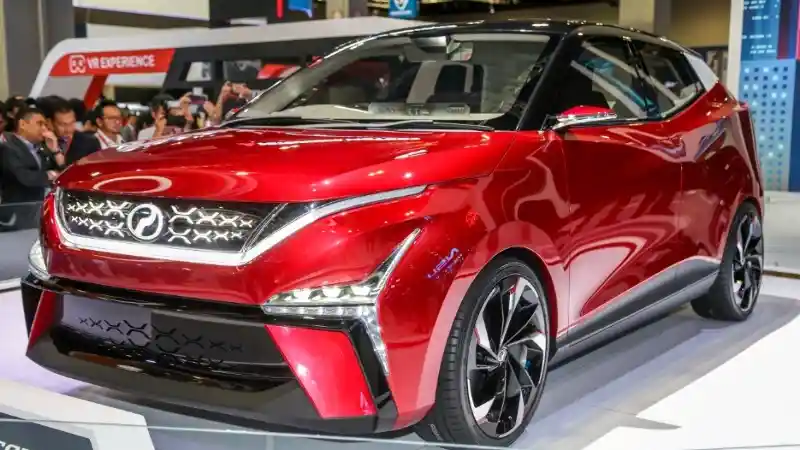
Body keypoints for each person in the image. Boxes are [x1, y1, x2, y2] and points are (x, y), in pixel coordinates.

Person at [0, 106, 65, 204]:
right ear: (22, 124)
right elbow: (24, 177)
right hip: (18, 208)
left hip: (42, 205)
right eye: (39, 124)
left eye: (45, 125)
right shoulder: (8, 147)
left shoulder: (44, 146)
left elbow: (63, 173)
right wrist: (51, 174)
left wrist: (55, 151)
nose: (44, 129)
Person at [46, 98, 101, 165]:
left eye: (71, 123)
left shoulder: (90, 142)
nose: (68, 130)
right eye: (63, 125)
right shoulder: (42, 143)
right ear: (50, 123)